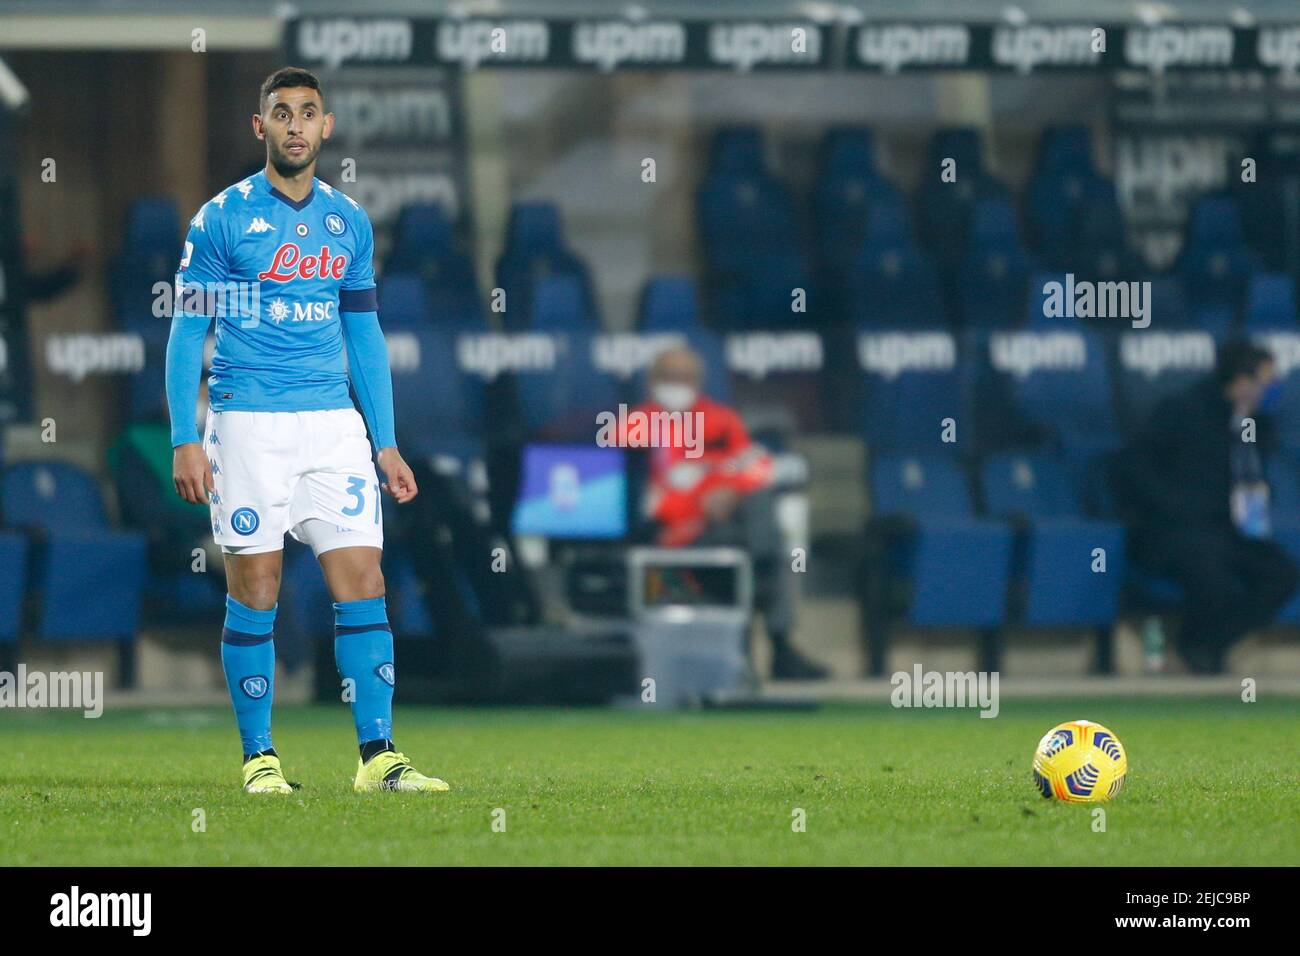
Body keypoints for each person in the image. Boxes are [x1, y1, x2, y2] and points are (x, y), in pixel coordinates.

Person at [166, 67, 447, 793]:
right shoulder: (223, 219)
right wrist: (183, 435)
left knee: (364, 579)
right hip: (248, 420)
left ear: (326, 127)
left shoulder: (346, 221)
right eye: (281, 113)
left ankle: (378, 756)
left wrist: (383, 439)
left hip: (332, 426)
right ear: (260, 128)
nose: (295, 125)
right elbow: (187, 328)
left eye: (308, 113)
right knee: (257, 586)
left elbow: (365, 336)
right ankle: (260, 758)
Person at [628, 346, 827, 680]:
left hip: (718, 530)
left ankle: (763, 620)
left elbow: (756, 466)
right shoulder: (636, 426)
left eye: (686, 378)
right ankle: (776, 646)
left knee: (758, 501)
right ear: (652, 382)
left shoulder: (720, 420)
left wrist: (730, 490)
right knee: (762, 553)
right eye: (671, 378)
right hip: (669, 536)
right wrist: (701, 496)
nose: (679, 385)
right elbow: (645, 494)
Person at [1115, 339, 1299, 674]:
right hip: (1175, 531)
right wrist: (1173, 505)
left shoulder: (1254, 425)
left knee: (1282, 574)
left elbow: (1252, 477)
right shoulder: (1183, 410)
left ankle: (1205, 644)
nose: (1271, 390)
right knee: (1218, 586)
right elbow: (1132, 467)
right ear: (1242, 381)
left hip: (1229, 531)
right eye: (1265, 381)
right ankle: (1196, 648)